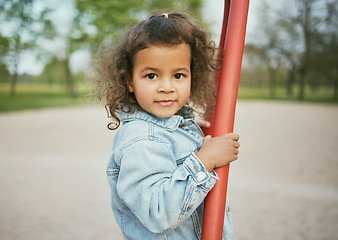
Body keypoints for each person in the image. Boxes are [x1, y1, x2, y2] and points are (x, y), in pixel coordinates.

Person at [96, 12, 240, 239]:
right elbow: (158, 213)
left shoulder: (169, 126)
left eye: (179, 75)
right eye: (152, 76)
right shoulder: (142, 142)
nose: (167, 86)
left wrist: (190, 133)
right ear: (129, 81)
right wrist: (205, 161)